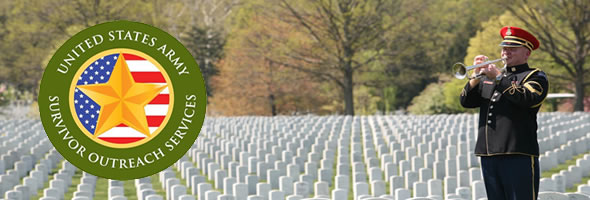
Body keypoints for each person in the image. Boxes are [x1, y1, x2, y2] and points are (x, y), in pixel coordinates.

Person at [460, 26, 549, 199]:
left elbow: (527, 99)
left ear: (527, 53)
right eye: (504, 48)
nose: (506, 53)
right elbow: (466, 102)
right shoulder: (490, 77)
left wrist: (499, 78)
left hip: (517, 153)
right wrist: (476, 75)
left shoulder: (535, 76)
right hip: (488, 153)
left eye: (512, 49)